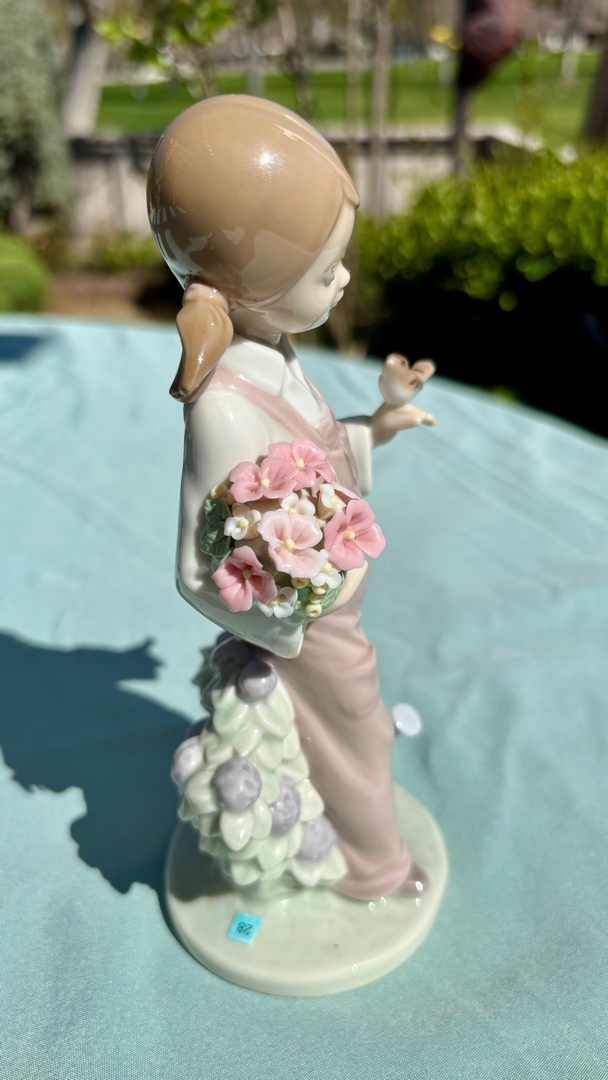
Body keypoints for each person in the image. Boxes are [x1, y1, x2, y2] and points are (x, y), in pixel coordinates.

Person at [148, 94, 429, 900]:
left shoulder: (274, 354)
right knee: (355, 737)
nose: (344, 280)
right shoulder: (224, 407)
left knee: (352, 732)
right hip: (307, 628)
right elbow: (196, 569)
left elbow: (314, 460)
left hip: (329, 611)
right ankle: (375, 870)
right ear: (246, 283)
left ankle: (358, 852)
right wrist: (290, 622)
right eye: (323, 270)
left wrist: (377, 426)